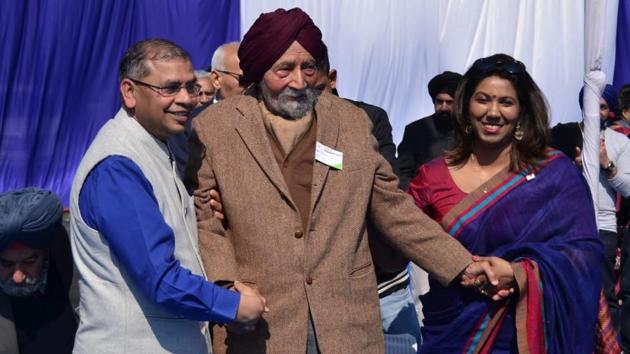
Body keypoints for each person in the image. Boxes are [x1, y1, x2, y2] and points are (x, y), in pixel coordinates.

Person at [188, 8, 507, 353]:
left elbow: (395, 209)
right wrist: (226, 287)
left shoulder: (351, 122)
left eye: (308, 67)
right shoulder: (216, 128)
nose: (299, 82)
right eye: (284, 69)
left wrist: (462, 265)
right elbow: (207, 218)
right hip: (259, 324)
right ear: (259, 70)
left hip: (346, 323)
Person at [69, 39, 266, 353]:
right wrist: (234, 305)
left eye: (190, 87)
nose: (187, 99)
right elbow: (160, 278)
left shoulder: (156, 147)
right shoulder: (116, 167)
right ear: (129, 92)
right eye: (170, 88)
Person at [408, 53, 607, 352]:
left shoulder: (552, 172)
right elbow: (404, 238)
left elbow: (584, 255)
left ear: (522, 111)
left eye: (506, 102)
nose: (492, 112)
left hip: (521, 338)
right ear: (466, 105)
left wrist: (519, 274)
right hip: (451, 334)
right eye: (483, 99)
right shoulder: (432, 176)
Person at [314, 46, 420, 350]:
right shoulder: (283, 127)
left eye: (318, 90)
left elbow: (386, 181)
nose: (311, 103)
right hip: (323, 289)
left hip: (385, 285)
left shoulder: (369, 117)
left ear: (332, 78)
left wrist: (318, 154)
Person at [0, 188, 78, 354]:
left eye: (29, 262)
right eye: (6, 264)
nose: (18, 277)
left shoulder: (75, 287)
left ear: (47, 254)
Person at [397, 71, 462, 190]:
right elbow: (403, 171)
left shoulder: (470, 130)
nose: (443, 107)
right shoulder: (415, 130)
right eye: (439, 101)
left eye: (449, 102)